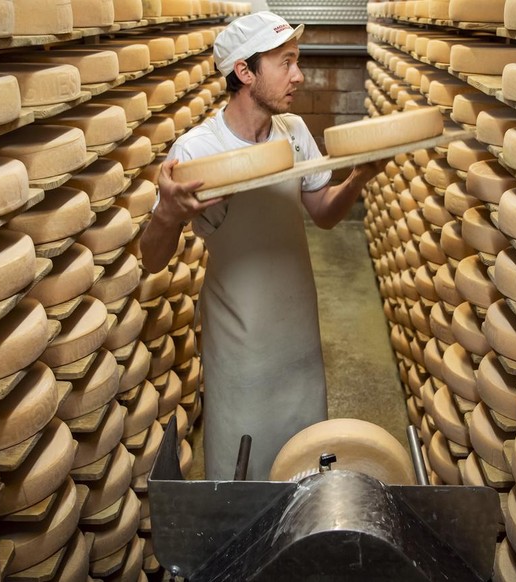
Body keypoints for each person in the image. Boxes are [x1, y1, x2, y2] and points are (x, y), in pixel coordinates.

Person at [139, 11, 383, 480]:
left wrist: (357, 178)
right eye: (286, 62)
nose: (299, 75)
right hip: (241, 335)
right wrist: (168, 214)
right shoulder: (197, 150)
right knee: (242, 465)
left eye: (298, 61)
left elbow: (325, 215)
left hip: (299, 324)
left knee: (306, 460)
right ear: (245, 72)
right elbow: (151, 259)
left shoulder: (294, 132)